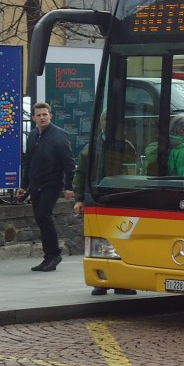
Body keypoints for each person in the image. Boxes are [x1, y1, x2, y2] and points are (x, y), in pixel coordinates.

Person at [73, 115, 137, 296]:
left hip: (122, 199)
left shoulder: (126, 146)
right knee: (101, 241)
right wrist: (79, 198)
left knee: (122, 241)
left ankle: (122, 281)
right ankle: (101, 280)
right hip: (99, 198)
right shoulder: (91, 148)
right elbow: (81, 174)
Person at [16, 102, 76, 273]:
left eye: (45, 114)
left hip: (53, 182)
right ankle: (48, 256)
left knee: (44, 214)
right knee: (40, 218)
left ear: (50, 115)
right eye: (39, 115)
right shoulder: (33, 136)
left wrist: (69, 186)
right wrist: (24, 185)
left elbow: (69, 162)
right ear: (33, 117)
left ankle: (55, 254)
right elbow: (29, 162)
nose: (42, 117)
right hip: (36, 183)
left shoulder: (59, 135)